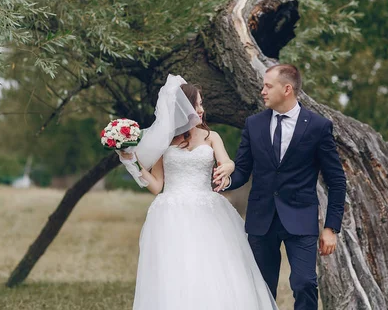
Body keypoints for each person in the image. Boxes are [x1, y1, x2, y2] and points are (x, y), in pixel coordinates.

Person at [119, 74, 278, 310]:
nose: (201, 109)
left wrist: (228, 167)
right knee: (178, 272)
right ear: (183, 108)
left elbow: (227, 162)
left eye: (201, 104)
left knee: (215, 270)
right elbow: (156, 185)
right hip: (172, 215)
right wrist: (131, 161)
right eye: (197, 104)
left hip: (208, 212)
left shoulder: (211, 137)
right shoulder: (166, 143)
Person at [215, 64, 347, 310]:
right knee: (261, 288)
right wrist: (225, 181)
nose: (262, 91)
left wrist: (331, 227)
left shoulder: (318, 127)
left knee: (304, 283)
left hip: (301, 217)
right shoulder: (253, 124)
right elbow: (243, 170)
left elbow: (337, 181)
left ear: (287, 89)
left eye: (268, 86)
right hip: (261, 218)